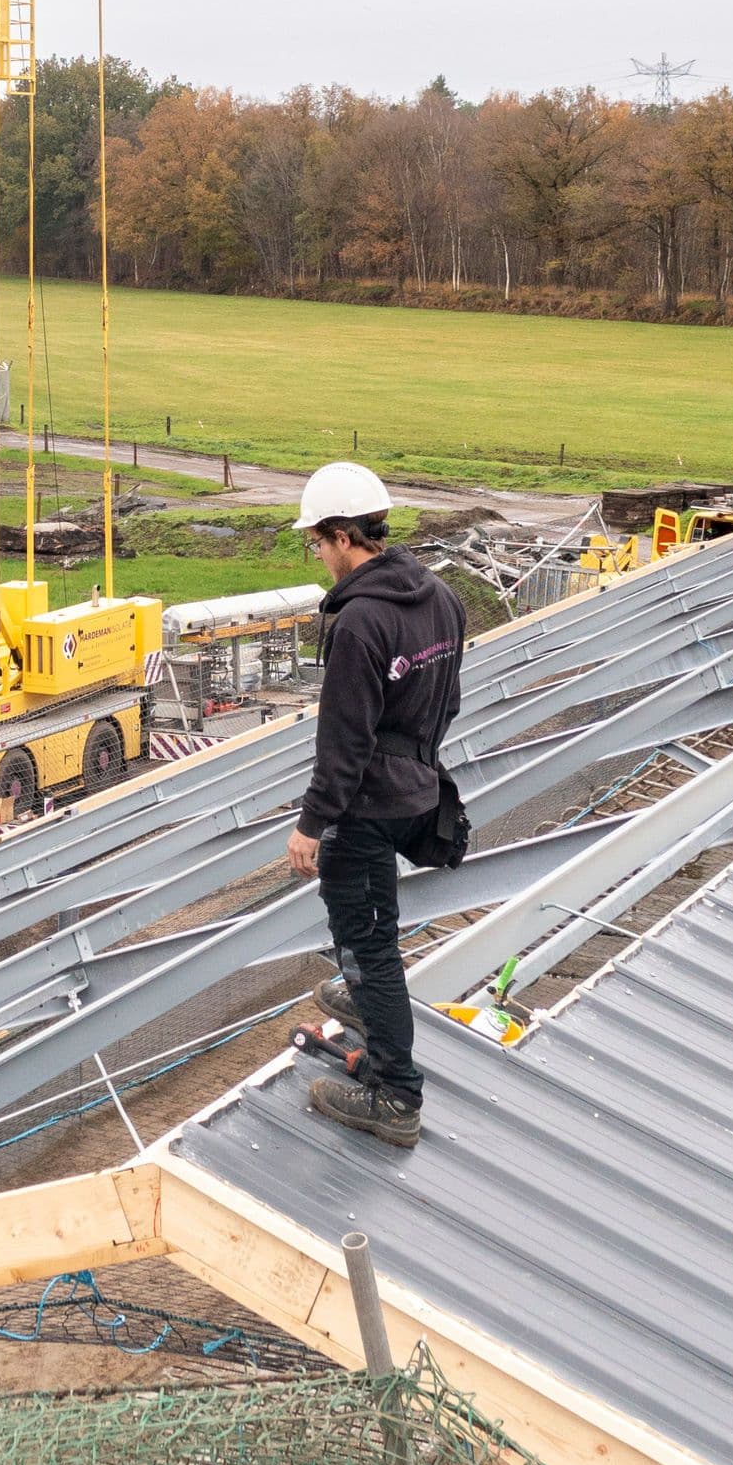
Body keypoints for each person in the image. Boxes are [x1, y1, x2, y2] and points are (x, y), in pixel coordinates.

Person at [282, 461, 469, 1149]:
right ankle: (368, 998)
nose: (321, 557)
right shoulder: (440, 598)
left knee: (369, 943)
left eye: (318, 543)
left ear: (341, 535)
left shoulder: (359, 623)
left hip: (364, 806)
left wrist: (311, 823)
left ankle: (395, 1096)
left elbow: (344, 741)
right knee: (374, 940)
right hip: (417, 788)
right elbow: (445, 699)